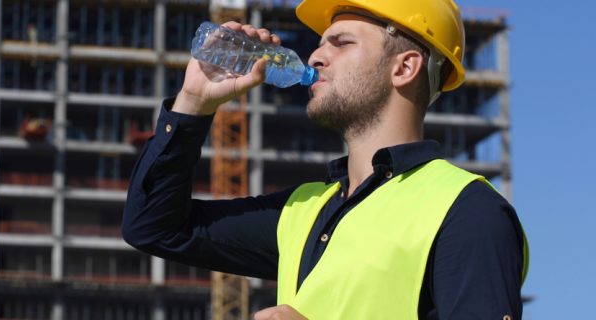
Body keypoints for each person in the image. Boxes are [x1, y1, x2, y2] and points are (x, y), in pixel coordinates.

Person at [124, 0, 529, 319]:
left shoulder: (467, 210)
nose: (315, 56)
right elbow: (155, 228)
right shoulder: (303, 210)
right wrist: (193, 102)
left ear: (404, 67)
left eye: (342, 42)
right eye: (320, 43)